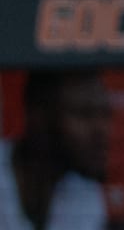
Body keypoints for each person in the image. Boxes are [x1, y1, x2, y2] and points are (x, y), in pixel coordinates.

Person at [0, 69, 111, 230]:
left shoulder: (86, 193)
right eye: (84, 114)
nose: (102, 131)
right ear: (38, 116)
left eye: (106, 114)